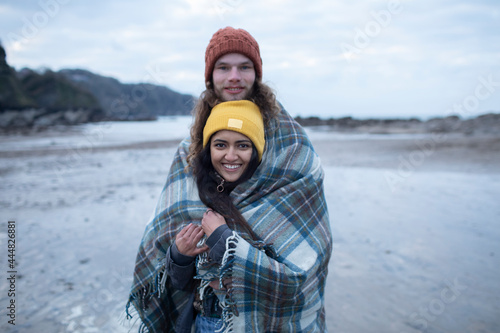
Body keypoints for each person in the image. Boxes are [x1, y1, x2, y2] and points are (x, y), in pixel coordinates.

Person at [127, 26, 332, 333]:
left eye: (244, 67)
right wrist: (179, 256)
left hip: (266, 321)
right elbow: (167, 252)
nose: (234, 77)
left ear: (257, 74)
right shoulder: (189, 151)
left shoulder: (293, 147)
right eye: (223, 67)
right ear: (210, 77)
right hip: (205, 317)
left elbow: (306, 258)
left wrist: (227, 242)